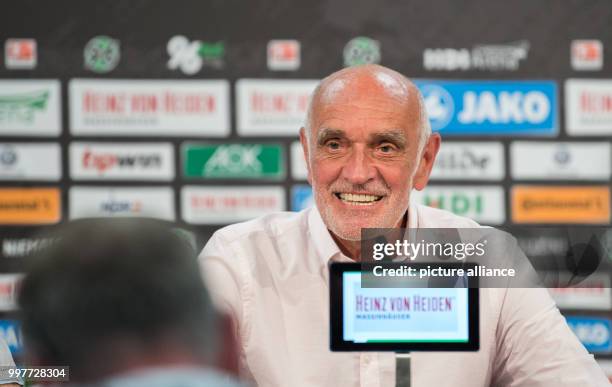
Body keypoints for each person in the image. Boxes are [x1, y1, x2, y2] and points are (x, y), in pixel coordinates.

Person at [200, 64, 609, 386]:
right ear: (308, 154)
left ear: (424, 161)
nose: (358, 173)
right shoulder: (238, 262)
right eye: (335, 144)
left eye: (385, 147)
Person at [18, 218, 244, 387]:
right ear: (229, 344)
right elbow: (10, 375)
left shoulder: (44, 371)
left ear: (41, 365)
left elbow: (16, 375)